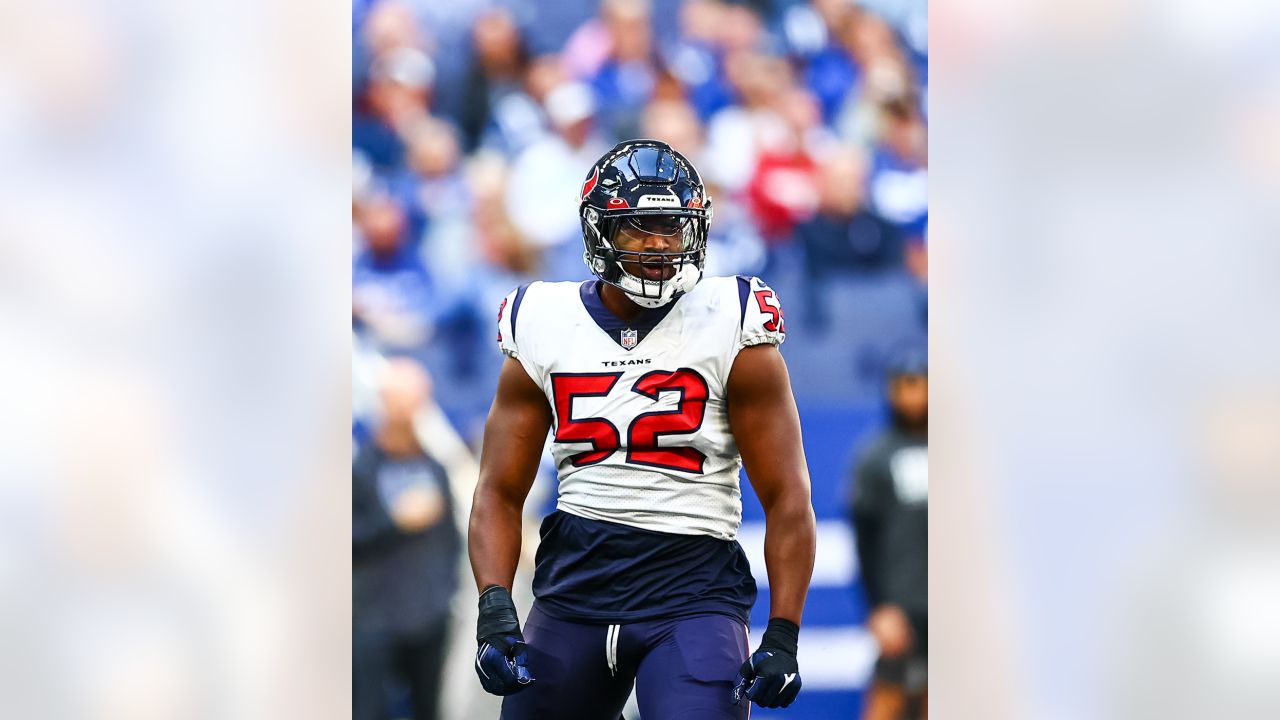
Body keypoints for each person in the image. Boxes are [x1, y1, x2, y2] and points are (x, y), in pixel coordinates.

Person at [468, 139, 817, 718]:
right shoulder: (543, 321)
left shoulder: (732, 318)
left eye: (672, 229)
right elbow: (499, 490)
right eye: (639, 229)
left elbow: (787, 496)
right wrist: (495, 606)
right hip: (572, 589)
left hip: (692, 592)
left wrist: (782, 632)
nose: (659, 246)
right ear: (599, 233)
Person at [353, 359, 461, 720]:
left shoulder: (434, 467)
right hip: (371, 621)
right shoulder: (358, 469)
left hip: (428, 617)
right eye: (395, 401)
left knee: (428, 709)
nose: (403, 411)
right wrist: (395, 521)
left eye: (412, 401)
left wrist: (445, 593)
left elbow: (450, 540)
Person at [850, 346, 928, 720]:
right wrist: (879, 606)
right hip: (900, 607)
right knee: (888, 701)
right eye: (904, 384)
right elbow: (865, 540)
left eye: (921, 384)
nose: (913, 393)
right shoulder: (876, 456)